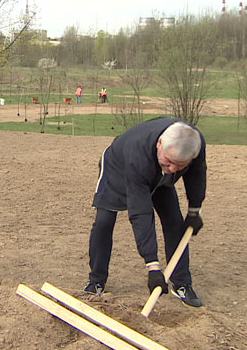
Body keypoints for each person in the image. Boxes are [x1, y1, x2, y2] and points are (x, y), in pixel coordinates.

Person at [84, 117, 206, 308]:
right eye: (169, 161)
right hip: (119, 167)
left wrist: (194, 211)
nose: (173, 169)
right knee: (104, 221)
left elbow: (197, 175)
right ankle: (96, 281)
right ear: (159, 144)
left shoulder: (193, 142)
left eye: (180, 165)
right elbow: (141, 212)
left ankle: (182, 283)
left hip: (155, 173)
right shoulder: (138, 156)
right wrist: (153, 266)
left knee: (175, 222)